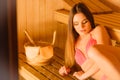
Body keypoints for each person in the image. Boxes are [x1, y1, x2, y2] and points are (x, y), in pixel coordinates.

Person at [58, 2, 114, 80]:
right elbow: (79, 67)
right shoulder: (74, 42)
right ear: (72, 26)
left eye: (85, 22)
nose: (81, 27)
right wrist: (66, 69)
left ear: (90, 20)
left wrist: (83, 76)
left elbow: (102, 60)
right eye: (76, 24)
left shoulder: (98, 31)